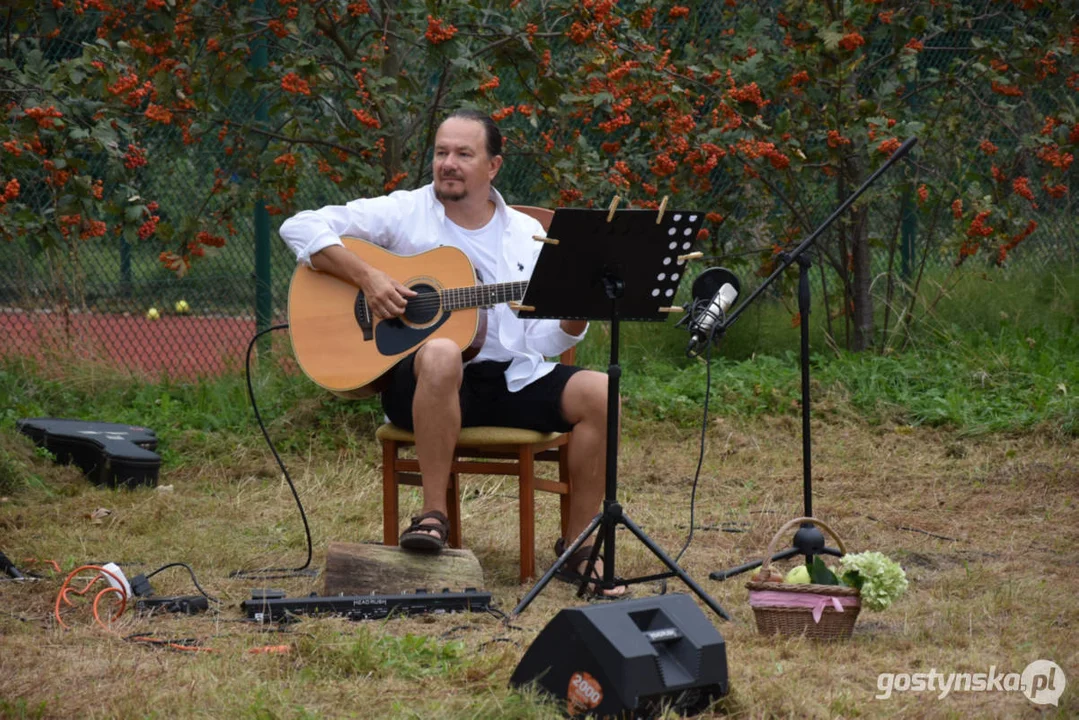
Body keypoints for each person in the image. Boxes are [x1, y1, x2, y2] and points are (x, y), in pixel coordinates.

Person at [279, 109, 623, 595]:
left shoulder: (526, 233)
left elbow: (541, 341)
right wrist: (368, 277)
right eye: (442, 152)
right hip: (423, 384)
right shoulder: (405, 212)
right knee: (442, 350)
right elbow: (300, 226)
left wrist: (574, 315)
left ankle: (580, 547)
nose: (449, 163)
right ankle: (431, 516)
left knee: (602, 391)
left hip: (508, 380)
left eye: (464, 153)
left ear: (493, 166)